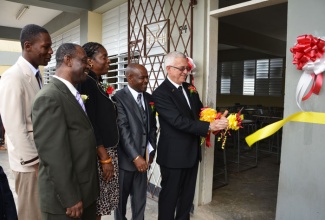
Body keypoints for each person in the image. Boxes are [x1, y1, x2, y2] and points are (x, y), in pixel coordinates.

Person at [152, 51, 229, 220]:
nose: (186, 72)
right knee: (169, 198)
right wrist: (209, 126)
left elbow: (200, 113)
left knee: (187, 199)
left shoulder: (190, 88)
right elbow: (178, 121)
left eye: (186, 68)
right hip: (173, 156)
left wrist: (216, 119)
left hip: (192, 154)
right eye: (182, 68)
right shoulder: (160, 93)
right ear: (169, 69)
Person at [32, 43, 99, 219]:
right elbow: (54, 155)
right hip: (67, 202)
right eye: (84, 60)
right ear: (68, 60)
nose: (88, 65)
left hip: (84, 192)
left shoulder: (70, 93)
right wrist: (70, 197)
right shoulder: (49, 97)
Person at [0, 24, 52, 219]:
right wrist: (36, 164)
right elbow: (14, 127)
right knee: (31, 213)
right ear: (28, 46)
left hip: (41, 158)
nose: (50, 51)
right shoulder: (13, 77)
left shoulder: (36, 75)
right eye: (45, 47)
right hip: (30, 163)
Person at [78, 42, 119, 219]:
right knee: (96, 204)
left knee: (100, 205)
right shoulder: (86, 83)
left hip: (107, 150)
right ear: (89, 61)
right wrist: (105, 157)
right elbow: (90, 122)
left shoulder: (96, 82)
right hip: (99, 153)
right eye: (104, 57)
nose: (108, 61)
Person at [113, 63, 157, 220]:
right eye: (142, 78)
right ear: (130, 78)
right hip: (126, 161)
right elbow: (122, 129)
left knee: (140, 201)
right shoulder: (118, 98)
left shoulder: (149, 98)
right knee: (121, 203)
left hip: (144, 160)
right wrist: (135, 157)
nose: (146, 81)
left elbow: (152, 128)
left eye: (147, 77)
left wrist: (151, 151)